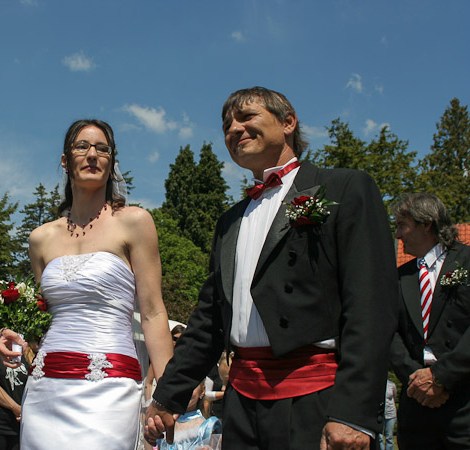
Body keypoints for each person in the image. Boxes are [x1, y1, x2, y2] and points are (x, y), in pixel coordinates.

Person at [145, 86, 398, 450]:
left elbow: (372, 305)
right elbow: (209, 321)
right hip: (242, 404)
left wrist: (353, 413)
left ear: (288, 122)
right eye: (227, 125)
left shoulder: (344, 189)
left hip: (317, 397)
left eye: (246, 117)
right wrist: (168, 396)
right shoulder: (230, 222)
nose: (234, 129)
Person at [0, 119, 174, 449]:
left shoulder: (134, 223)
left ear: (111, 161)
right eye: (82, 146)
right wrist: (9, 332)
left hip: (110, 388)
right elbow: (40, 320)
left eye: (102, 149)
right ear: (65, 160)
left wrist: (167, 392)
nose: (92, 155)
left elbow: (152, 313)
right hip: (46, 389)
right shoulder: (40, 239)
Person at [389, 193, 470, 449]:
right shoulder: (398, 278)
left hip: (464, 399)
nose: (398, 234)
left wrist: (441, 376)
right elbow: (389, 332)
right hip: (417, 405)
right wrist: (416, 379)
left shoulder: (467, 261)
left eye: (402, 225)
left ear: (426, 224)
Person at [380, 380, 396, 450]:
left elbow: (394, 396)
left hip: (391, 414)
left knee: (389, 437)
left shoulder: (391, 384)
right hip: (380, 414)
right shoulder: (377, 384)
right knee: (380, 437)